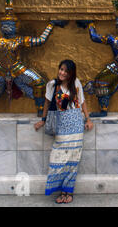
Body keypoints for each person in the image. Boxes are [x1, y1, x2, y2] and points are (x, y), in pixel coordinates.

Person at [34, 59, 94, 204]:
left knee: (73, 160)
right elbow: (47, 103)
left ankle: (68, 192)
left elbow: (82, 102)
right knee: (58, 158)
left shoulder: (76, 83)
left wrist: (88, 119)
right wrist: (43, 119)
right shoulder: (52, 85)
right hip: (61, 126)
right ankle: (61, 190)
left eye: (66, 71)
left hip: (75, 124)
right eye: (61, 69)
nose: (62, 73)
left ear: (71, 73)